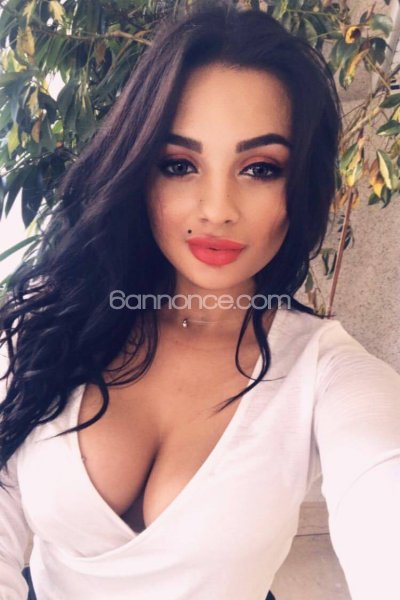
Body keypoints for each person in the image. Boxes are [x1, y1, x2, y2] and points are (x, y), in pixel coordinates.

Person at [0, 2, 399, 599]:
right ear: (140, 171)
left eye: (260, 169)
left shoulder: (325, 372)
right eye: (180, 164)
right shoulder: (55, 316)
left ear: (300, 187)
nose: (216, 209)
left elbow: (382, 485)